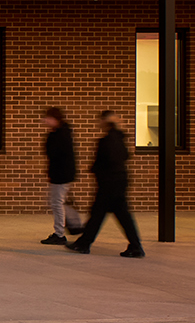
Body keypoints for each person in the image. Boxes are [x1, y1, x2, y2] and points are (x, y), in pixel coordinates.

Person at [68, 110, 143, 257]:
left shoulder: (107, 141)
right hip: (118, 182)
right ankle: (134, 246)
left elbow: (104, 161)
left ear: (105, 122)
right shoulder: (120, 139)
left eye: (101, 121)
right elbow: (125, 156)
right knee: (115, 215)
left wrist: (95, 170)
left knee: (100, 214)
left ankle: (84, 243)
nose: (99, 124)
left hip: (109, 183)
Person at [40, 108, 80, 245]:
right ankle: (70, 226)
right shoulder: (64, 133)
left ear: (54, 118)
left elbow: (53, 152)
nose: (45, 121)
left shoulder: (59, 135)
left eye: (47, 118)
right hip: (62, 173)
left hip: (60, 174)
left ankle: (60, 233)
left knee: (57, 203)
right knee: (59, 202)